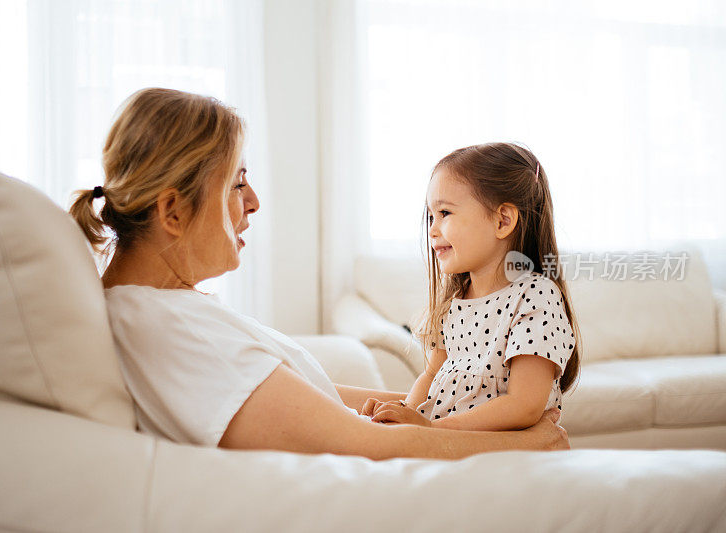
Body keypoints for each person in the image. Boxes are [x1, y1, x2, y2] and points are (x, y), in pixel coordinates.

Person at [69, 88, 569, 461]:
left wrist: (425, 412)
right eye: (237, 184)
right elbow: (363, 444)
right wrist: (526, 443)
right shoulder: (163, 328)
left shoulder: (166, 311)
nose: (254, 202)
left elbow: (314, 403)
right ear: (173, 212)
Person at [364, 143, 581, 431]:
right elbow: (431, 375)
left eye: (445, 213)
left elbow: (523, 406)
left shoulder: (535, 297)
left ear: (503, 220)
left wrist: (430, 431)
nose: (432, 229)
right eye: (431, 216)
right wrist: (402, 415)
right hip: (452, 448)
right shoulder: (454, 301)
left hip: (502, 459)